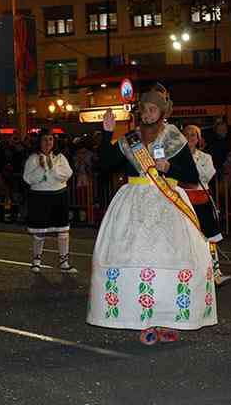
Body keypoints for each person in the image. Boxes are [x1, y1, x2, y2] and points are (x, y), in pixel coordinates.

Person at [86, 85, 217, 345]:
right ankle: (141, 319)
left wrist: (169, 166)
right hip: (133, 204)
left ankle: (166, 319)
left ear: (162, 112)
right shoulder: (131, 139)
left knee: (170, 259)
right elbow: (105, 163)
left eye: (152, 109)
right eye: (144, 109)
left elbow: (192, 176)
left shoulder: (174, 138)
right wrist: (107, 132)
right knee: (134, 259)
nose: (147, 114)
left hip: (167, 204)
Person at [182, 125, 231, 286]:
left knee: (210, 237)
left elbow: (205, 176)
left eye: (193, 135)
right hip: (182, 200)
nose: (189, 138)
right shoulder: (176, 156)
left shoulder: (206, 157)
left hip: (201, 200)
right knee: (185, 237)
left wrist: (189, 167)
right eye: (186, 135)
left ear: (198, 139)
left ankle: (215, 273)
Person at [23, 129, 77, 274]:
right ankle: (36, 261)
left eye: (50, 139)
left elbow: (68, 173)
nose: (48, 142)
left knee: (63, 229)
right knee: (40, 231)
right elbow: (27, 178)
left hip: (59, 196)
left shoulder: (60, 157)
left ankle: (64, 262)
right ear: (39, 142)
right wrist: (41, 169)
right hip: (40, 197)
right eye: (45, 139)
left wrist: (52, 169)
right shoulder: (33, 158)